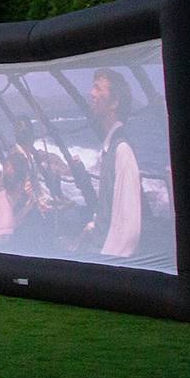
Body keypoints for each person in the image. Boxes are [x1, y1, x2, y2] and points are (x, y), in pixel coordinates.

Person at [80, 69, 143, 260]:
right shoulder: (110, 148)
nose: (92, 93)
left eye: (98, 88)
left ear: (115, 102)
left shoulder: (122, 150)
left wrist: (107, 262)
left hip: (108, 256)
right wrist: (93, 224)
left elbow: (129, 226)